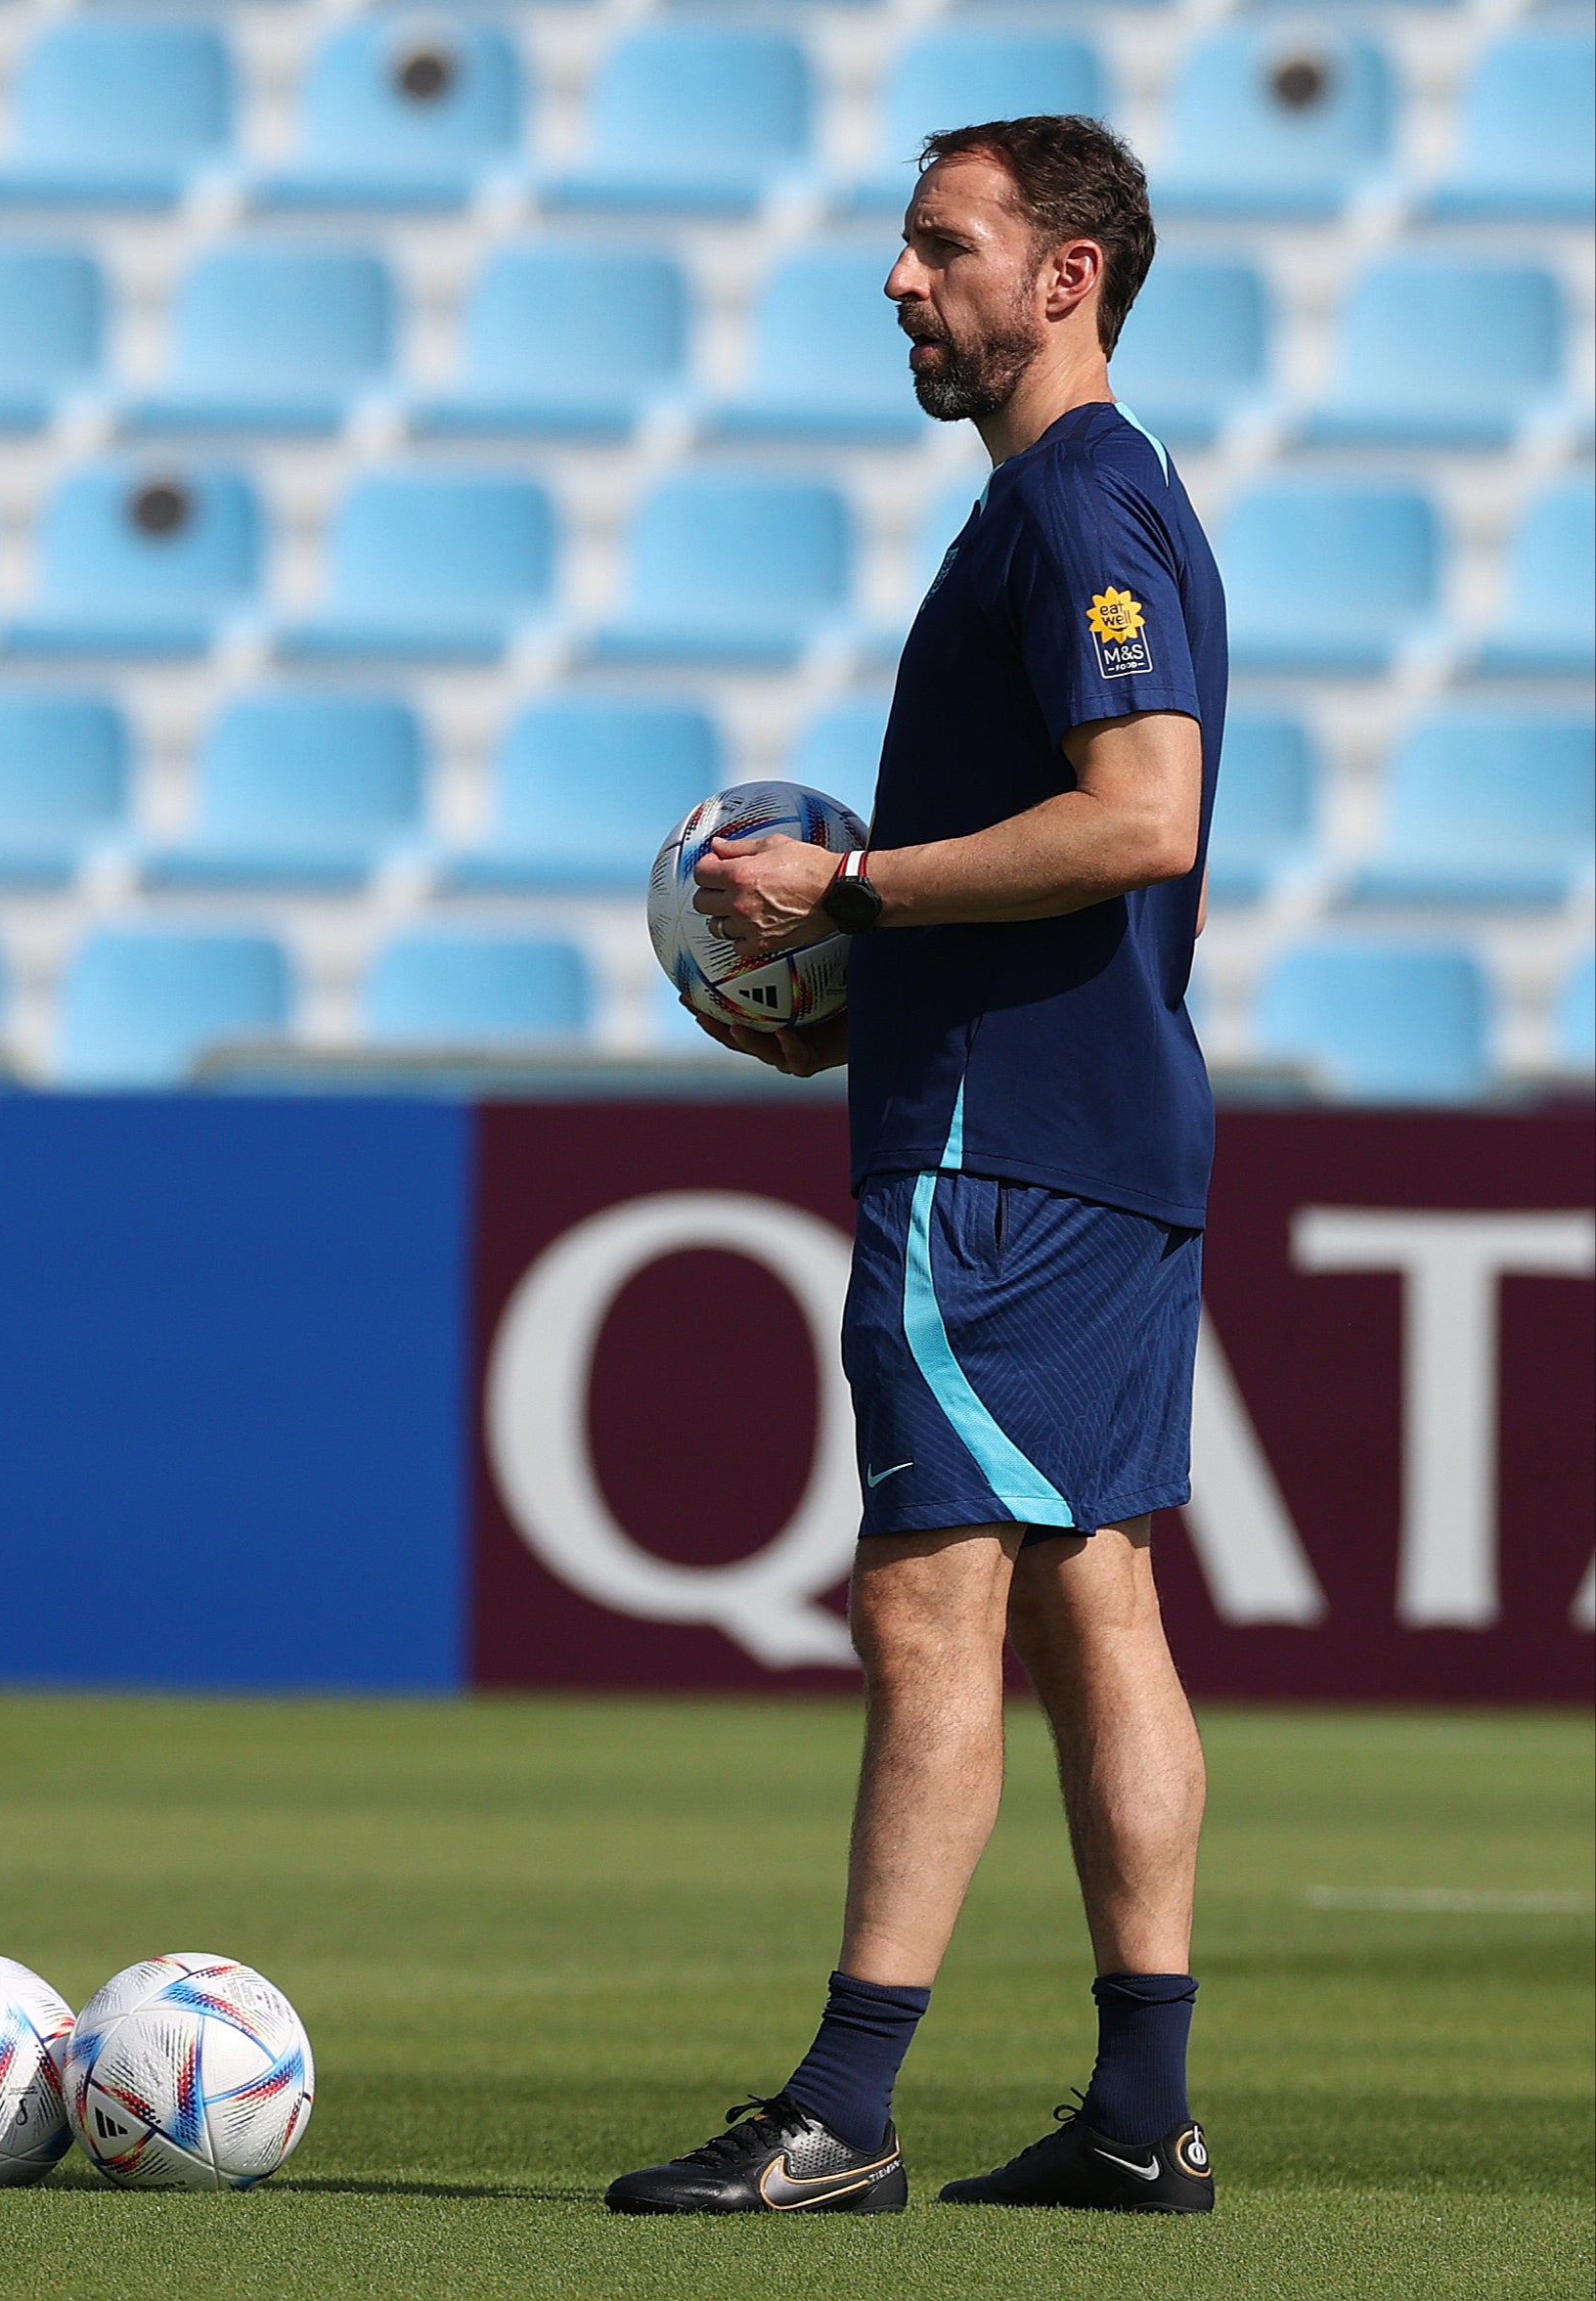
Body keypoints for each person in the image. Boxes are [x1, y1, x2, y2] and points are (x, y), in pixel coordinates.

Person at [607, 115, 1224, 2215]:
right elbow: (1091, 865)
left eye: (939, 245)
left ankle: (843, 2110)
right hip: (1099, 1122)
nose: (896, 280)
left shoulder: (1074, 501)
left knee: (922, 1595)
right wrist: (854, 973)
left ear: (1064, 279)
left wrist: (851, 890)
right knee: (1096, 1590)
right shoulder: (1081, 504)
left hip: (1005, 1160)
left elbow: (1140, 814)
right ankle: (1142, 2111)